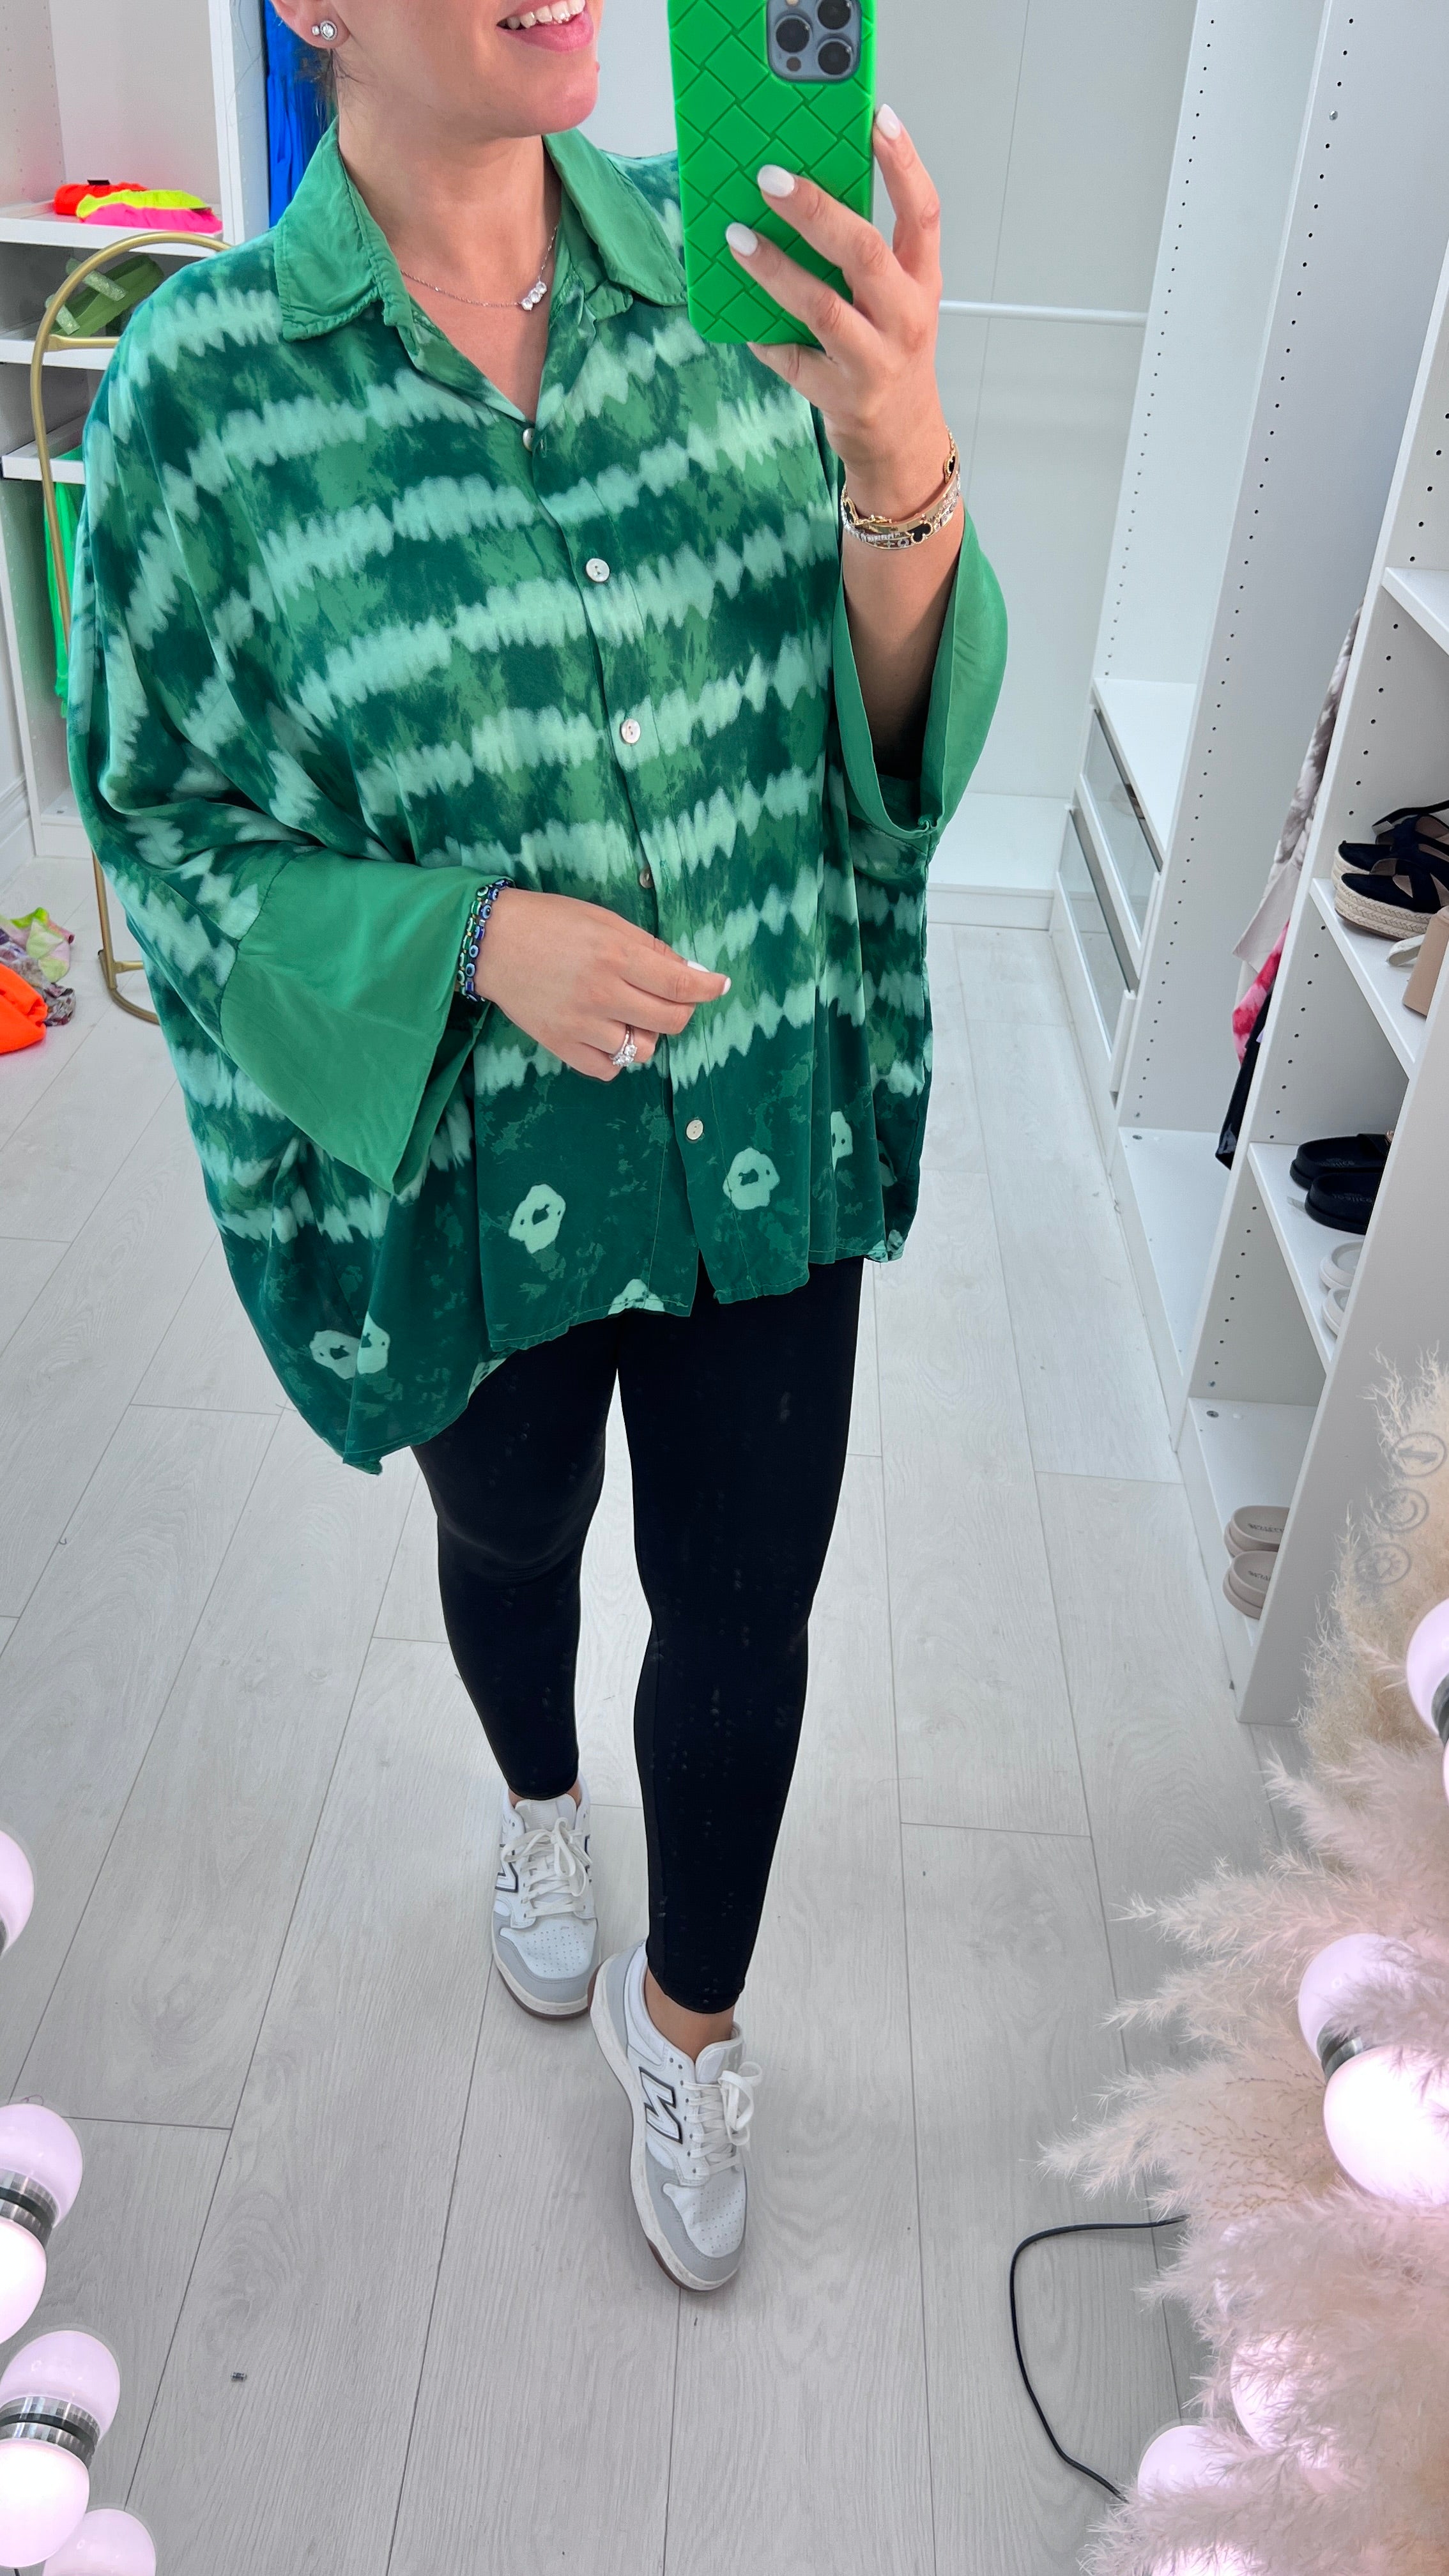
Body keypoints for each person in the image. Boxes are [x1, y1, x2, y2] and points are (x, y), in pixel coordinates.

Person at [70, 0, 1005, 2292]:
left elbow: (879, 751)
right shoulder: (208, 392)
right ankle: (534, 1807)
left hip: (755, 1119)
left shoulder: (739, 267)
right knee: (513, 1534)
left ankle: (692, 2030)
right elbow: (162, 825)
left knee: (745, 1604)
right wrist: (471, 942)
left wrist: (899, 458)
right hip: (468, 1179)